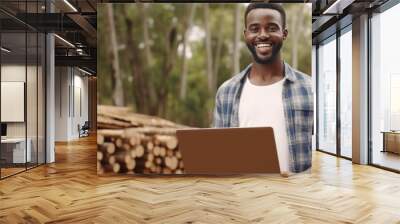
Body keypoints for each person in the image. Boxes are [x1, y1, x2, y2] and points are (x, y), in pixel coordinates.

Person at [212, 3, 313, 174]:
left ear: (284, 33)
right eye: (255, 29)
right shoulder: (226, 92)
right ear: (246, 35)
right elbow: (219, 154)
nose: (263, 35)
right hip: (243, 193)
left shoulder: (310, 88)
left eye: (272, 28)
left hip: (296, 197)